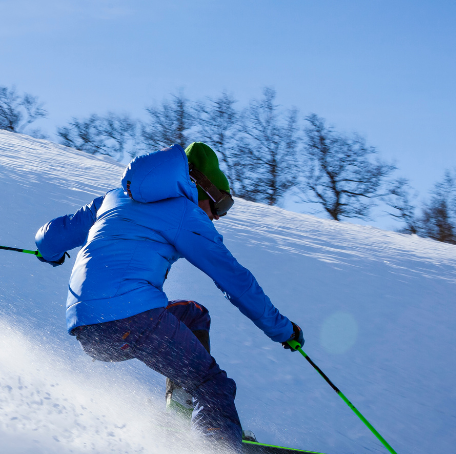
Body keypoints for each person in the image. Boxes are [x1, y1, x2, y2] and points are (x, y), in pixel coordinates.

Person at [34, 142, 304, 453]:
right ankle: (214, 445)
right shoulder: (185, 213)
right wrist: (283, 330)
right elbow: (235, 280)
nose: (218, 216)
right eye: (221, 205)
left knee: (194, 315)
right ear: (202, 187)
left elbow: (51, 236)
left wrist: (48, 253)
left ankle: (182, 418)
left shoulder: (113, 198)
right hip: (132, 318)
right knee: (211, 384)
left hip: (88, 330)